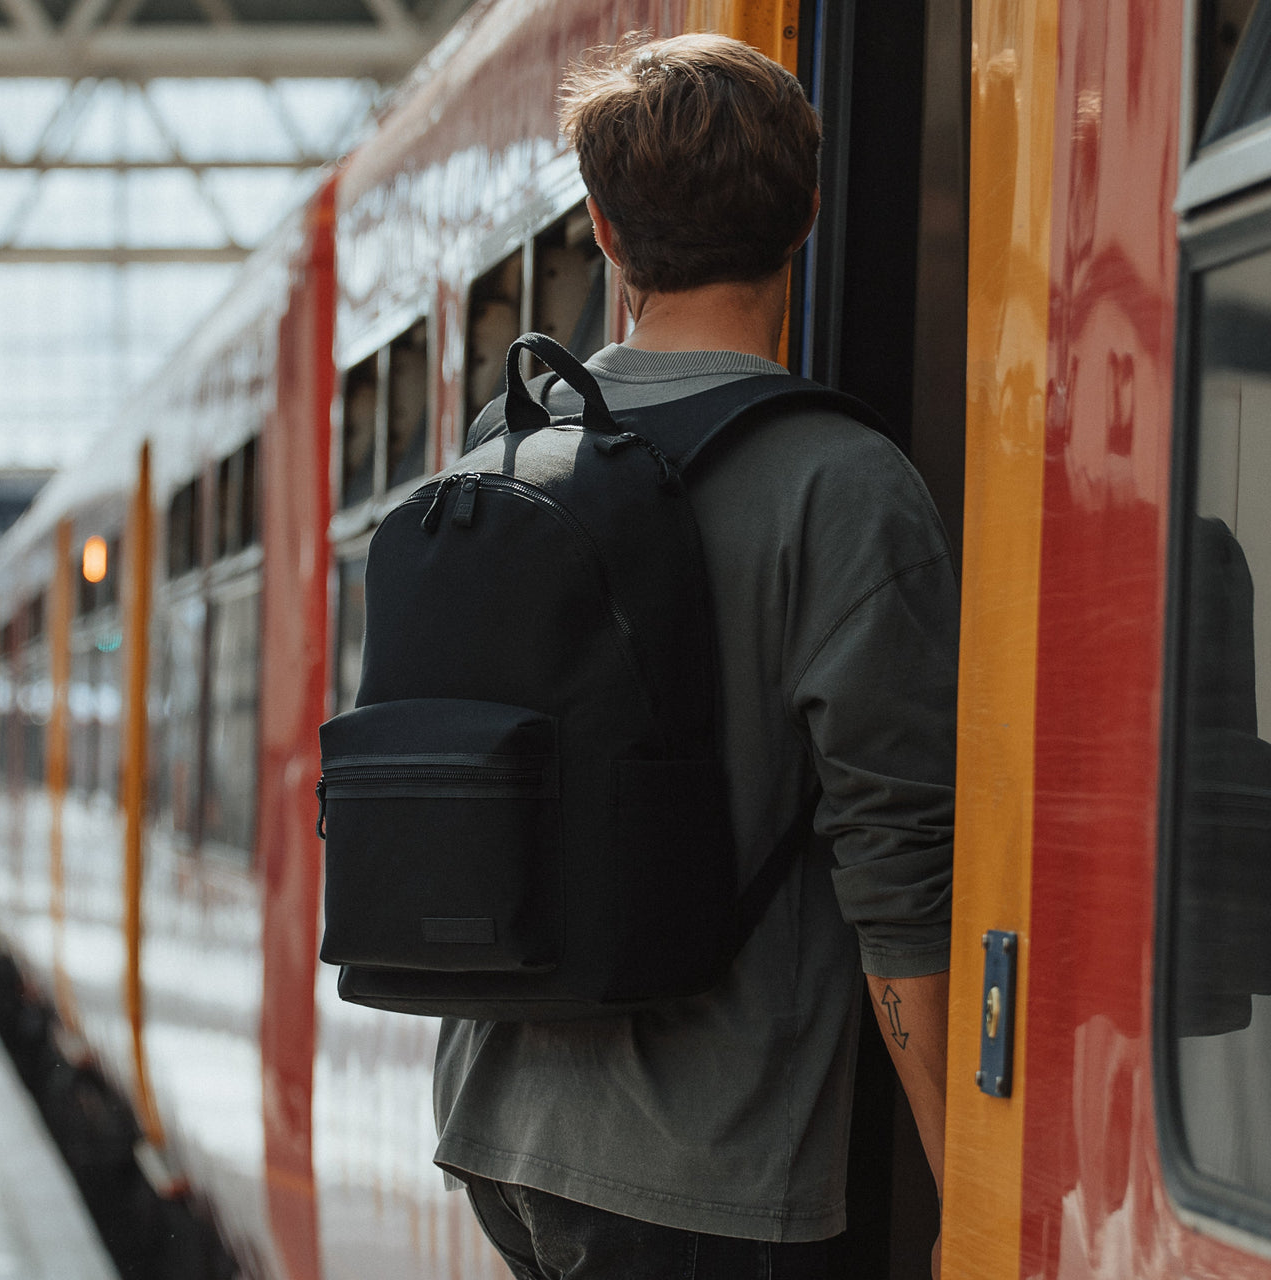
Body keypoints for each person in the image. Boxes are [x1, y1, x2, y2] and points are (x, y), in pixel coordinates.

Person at [432, 32, 956, 1279]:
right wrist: (973, 1191)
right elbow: (899, 872)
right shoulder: (843, 484)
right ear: (808, 217)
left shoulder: (493, 458)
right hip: (713, 1170)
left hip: (499, 1126)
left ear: (605, 234)